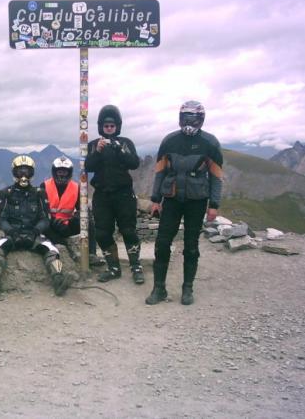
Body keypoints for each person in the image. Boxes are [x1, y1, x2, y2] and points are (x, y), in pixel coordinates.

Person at [146, 101, 223, 306]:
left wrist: (214, 204)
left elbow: (216, 177)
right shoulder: (169, 141)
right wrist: (155, 200)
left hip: (196, 201)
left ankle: (187, 288)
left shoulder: (210, 143)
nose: (189, 122)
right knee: (162, 243)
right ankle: (159, 288)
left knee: (191, 246)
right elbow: (160, 171)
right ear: (180, 118)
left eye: (193, 118)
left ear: (201, 119)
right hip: (170, 199)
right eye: (185, 118)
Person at [0, 155, 72, 296]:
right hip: (12, 235)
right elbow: (0, 219)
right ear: (14, 172)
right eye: (20, 171)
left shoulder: (40, 193)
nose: (23, 175)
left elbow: (45, 219)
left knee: (52, 250)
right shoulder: (5, 193)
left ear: (32, 173)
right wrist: (10, 231)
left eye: (27, 171)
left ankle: (59, 281)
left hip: (34, 235)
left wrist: (36, 230)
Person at [85, 104, 144, 284]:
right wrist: (98, 151)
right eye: (105, 125)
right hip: (102, 195)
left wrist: (119, 148)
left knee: (128, 230)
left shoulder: (126, 142)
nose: (109, 128)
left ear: (117, 126)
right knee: (102, 232)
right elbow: (88, 167)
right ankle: (113, 268)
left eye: (112, 125)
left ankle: (136, 267)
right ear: (101, 127)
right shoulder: (93, 145)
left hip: (124, 194)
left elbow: (134, 163)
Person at [41, 155, 104, 266]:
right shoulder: (44, 186)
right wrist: (53, 221)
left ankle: (92, 254)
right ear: (54, 172)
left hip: (68, 225)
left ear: (69, 173)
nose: (61, 175)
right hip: (51, 225)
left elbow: (84, 209)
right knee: (43, 225)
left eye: (64, 172)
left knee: (88, 221)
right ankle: (67, 250)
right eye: (59, 171)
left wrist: (77, 217)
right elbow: (39, 210)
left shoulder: (76, 188)